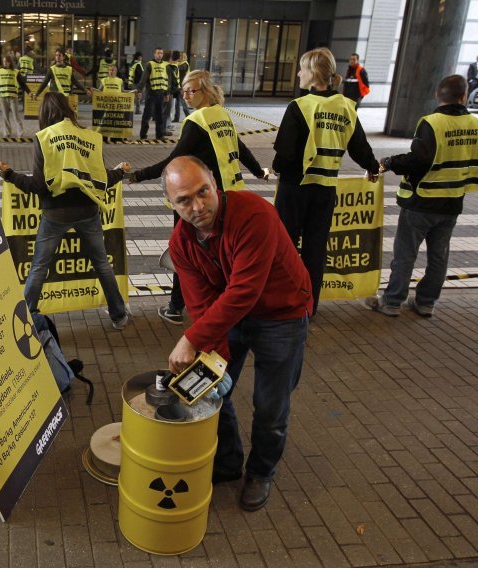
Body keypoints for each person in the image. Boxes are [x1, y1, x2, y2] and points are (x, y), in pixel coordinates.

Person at [163, 155, 312, 512]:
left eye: (203, 192)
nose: (198, 206)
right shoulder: (181, 243)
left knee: (270, 405)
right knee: (212, 389)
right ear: (170, 203)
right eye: (184, 200)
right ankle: (228, 462)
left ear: (215, 182)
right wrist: (217, 366)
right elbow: (200, 307)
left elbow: (244, 291)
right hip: (229, 317)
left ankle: (261, 472)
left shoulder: (253, 214)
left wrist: (191, 339)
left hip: (282, 313)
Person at [129, 70, 268, 325]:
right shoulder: (221, 115)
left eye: (192, 90)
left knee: (185, 251)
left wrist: (138, 176)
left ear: (206, 91)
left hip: (200, 199)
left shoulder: (198, 121)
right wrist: (259, 172)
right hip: (227, 196)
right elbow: (241, 148)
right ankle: (226, 305)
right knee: (221, 253)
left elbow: (174, 162)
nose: (186, 95)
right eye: (183, 90)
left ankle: (176, 307)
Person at [0, 93, 130, 330]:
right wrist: (119, 171)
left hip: (55, 214)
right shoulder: (91, 137)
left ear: (45, 113)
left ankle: (28, 320)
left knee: (39, 266)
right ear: (68, 109)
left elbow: (38, 186)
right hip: (88, 212)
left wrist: (9, 174)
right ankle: (119, 315)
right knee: (101, 263)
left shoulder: (44, 137)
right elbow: (100, 179)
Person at [272, 47, 379, 315]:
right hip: (326, 190)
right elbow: (360, 148)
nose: (298, 73)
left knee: (285, 248)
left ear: (314, 73)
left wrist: (275, 169)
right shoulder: (347, 106)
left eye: (302, 69)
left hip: (296, 187)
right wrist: (372, 168)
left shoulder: (300, 106)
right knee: (315, 250)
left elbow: (285, 153)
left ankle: (283, 305)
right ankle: (309, 307)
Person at [365, 75, 478, 317]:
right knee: (439, 256)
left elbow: (418, 160)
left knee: (405, 254)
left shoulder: (432, 122)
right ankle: (426, 302)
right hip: (452, 202)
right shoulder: (474, 124)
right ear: (464, 96)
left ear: (438, 95)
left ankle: (392, 302)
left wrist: (387, 162)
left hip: (422, 201)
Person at [0, 54, 29, 137]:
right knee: (5, 117)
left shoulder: (16, 72)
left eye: (7, 62)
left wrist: (29, 92)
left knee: (16, 116)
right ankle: (7, 133)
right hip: (3, 97)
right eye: (4, 62)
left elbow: (22, 84)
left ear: (10, 62)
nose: (5, 63)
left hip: (13, 98)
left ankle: (20, 133)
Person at [136, 47, 171, 140]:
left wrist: (167, 93)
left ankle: (159, 135)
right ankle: (143, 135)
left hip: (161, 93)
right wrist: (139, 90)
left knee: (160, 116)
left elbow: (167, 80)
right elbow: (143, 79)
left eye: (161, 53)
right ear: (154, 54)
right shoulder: (150, 64)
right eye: (158, 53)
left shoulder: (165, 65)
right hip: (151, 94)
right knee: (147, 115)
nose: (160, 55)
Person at [172, 51, 191, 122]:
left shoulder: (185, 64)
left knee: (184, 104)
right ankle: (176, 118)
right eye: (181, 56)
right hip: (178, 86)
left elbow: (180, 70)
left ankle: (189, 118)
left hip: (183, 86)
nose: (182, 57)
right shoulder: (179, 64)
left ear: (185, 57)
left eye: (183, 56)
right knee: (177, 104)